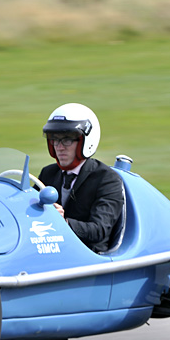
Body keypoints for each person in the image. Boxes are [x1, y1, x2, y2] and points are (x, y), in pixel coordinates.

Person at [38, 103, 125, 253]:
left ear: (85, 141)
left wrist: (63, 222)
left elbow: (100, 230)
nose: (59, 147)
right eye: (55, 139)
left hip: (90, 258)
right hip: (51, 252)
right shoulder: (48, 174)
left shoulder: (108, 180)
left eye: (67, 139)